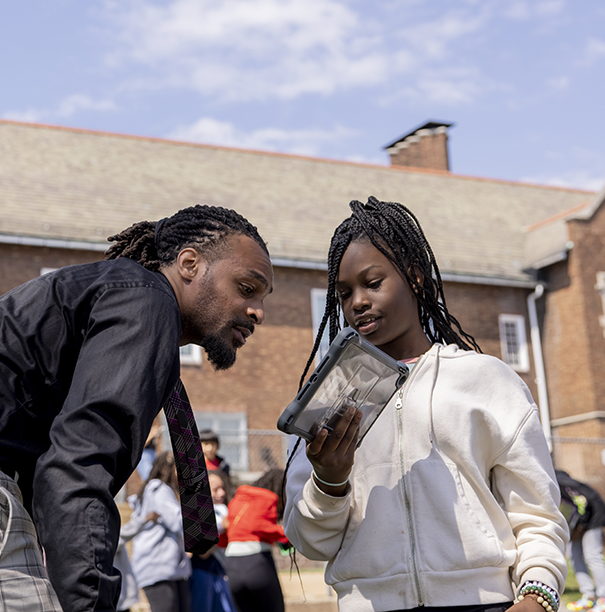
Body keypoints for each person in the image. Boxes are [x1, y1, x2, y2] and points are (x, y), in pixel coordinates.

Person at [0, 205, 274, 612]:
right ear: (190, 264)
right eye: (246, 287)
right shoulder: (145, 300)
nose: (256, 311)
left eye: (263, 298)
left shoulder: (104, 302)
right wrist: (92, 601)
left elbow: (52, 467)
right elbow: (80, 462)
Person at [283, 196, 569, 612]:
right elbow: (311, 542)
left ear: (416, 279)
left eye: (373, 283)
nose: (357, 302)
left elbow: (538, 515)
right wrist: (329, 480)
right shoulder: (329, 401)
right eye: (344, 293)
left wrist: (536, 596)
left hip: (484, 602)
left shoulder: (486, 380)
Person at [126, 451, 192, 612]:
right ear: (165, 470)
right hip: (158, 569)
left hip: (170, 571)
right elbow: (178, 522)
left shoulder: (160, 490)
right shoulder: (159, 489)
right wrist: (210, 526)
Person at [225, 468, 288, 612]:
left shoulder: (238, 498)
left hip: (231, 565)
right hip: (256, 563)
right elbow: (259, 525)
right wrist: (288, 534)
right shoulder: (268, 497)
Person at [556, 471, 605, 611]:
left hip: (593, 517)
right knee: (573, 555)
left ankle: (603, 598)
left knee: (592, 555)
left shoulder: (560, 482)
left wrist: (580, 526)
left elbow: (583, 502)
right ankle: (588, 596)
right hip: (580, 521)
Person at [190, 469, 238, 612]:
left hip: (221, 572)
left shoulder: (224, 509)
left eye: (222, 488)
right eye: (215, 489)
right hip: (202, 572)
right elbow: (202, 553)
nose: (221, 493)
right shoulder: (196, 513)